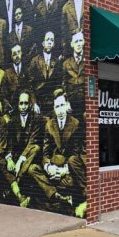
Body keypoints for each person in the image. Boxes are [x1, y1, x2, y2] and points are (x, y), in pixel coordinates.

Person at [27, 89, 86, 217]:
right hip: (53, 168)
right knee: (32, 169)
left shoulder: (75, 124)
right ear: (54, 108)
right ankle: (57, 195)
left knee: (70, 180)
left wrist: (64, 170)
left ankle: (56, 195)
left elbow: (76, 154)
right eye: (57, 107)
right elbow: (46, 153)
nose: (60, 110)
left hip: (66, 170)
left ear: (67, 105)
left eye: (62, 105)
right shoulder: (49, 125)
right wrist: (49, 167)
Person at [0, 91, 38, 208]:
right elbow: (9, 143)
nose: (23, 106)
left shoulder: (35, 119)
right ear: (18, 104)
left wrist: (20, 161)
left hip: (28, 157)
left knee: (35, 149)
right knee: (2, 162)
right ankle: (19, 195)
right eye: (21, 103)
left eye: (26, 103)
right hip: (16, 156)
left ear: (29, 104)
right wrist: (9, 159)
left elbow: (32, 142)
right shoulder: (12, 121)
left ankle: (15, 183)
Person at [27, 31, 63, 114]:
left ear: (54, 44)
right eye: (47, 40)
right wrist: (34, 103)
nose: (49, 42)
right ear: (43, 43)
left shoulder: (57, 62)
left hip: (52, 101)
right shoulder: (35, 60)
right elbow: (30, 84)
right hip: (38, 100)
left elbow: (59, 83)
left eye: (52, 40)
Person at [63, 31, 85, 115]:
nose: (78, 44)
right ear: (72, 44)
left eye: (80, 41)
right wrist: (66, 102)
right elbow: (63, 84)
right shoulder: (66, 63)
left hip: (85, 102)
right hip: (71, 103)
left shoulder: (88, 60)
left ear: (83, 42)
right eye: (76, 41)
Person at [4, 44, 29, 109]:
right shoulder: (7, 73)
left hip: (25, 104)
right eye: (14, 54)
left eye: (18, 52)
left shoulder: (27, 69)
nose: (17, 56)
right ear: (11, 56)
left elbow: (31, 88)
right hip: (13, 106)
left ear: (21, 53)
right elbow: (4, 94)